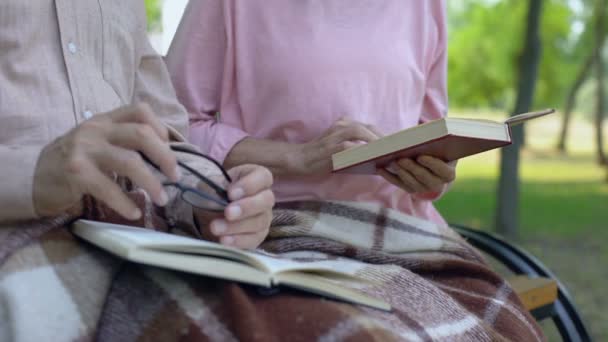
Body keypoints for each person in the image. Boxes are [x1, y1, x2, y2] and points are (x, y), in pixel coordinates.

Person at [0, 0, 275, 250]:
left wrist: (209, 198)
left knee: (296, 298)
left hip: (128, 240)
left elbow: (160, 135)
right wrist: (33, 176)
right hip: (19, 239)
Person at [167, 0, 456, 225]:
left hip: (404, 228)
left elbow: (430, 130)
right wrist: (298, 157)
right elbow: (173, 126)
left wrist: (432, 175)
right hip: (272, 224)